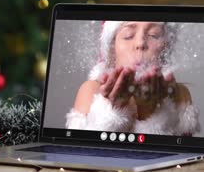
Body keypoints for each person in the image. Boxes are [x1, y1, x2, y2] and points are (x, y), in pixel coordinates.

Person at [65, 21, 200, 136]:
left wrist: (150, 112)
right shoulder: (92, 91)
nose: (140, 43)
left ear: (165, 48)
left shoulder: (179, 94)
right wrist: (112, 112)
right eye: (128, 36)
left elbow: (178, 161)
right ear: (112, 49)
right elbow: (85, 154)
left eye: (154, 35)